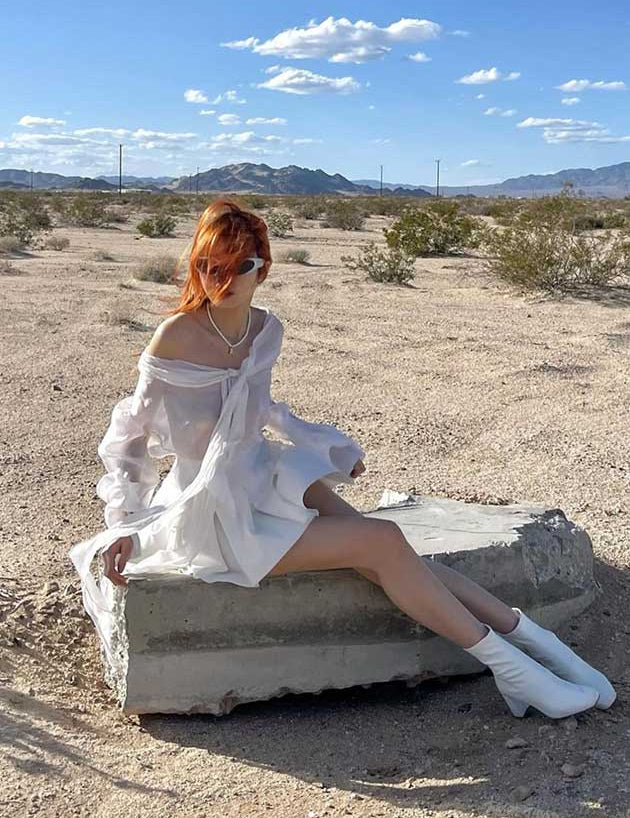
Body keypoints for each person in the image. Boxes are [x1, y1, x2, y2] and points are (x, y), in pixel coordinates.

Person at [69, 198, 615, 719]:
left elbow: (261, 408)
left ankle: (541, 651)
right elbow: (128, 436)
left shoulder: (266, 329)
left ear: (264, 268)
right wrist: (126, 522)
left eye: (240, 266)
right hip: (212, 510)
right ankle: (514, 669)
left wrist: (328, 447)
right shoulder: (176, 336)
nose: (222, 280)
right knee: (382, 541)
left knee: (396, 557)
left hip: (262, 476)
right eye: (209, 266)